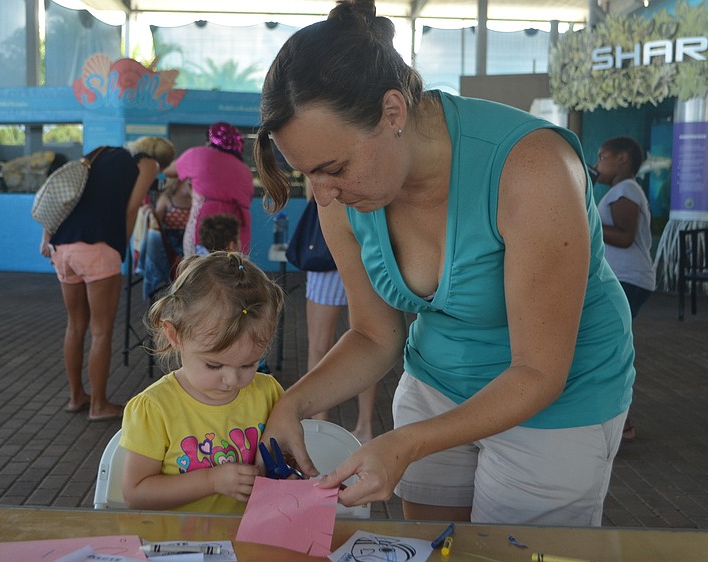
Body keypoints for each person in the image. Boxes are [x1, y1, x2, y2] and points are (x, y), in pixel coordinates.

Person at [252, 0, 635, 526]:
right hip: (437, 378)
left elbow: (539, 371)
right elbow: (373, 335)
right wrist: (290, 404)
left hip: (559, 396)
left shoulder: (533, 167)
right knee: (436, 545)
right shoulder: (340, 199)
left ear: (393, 112)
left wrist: (405, 444)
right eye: (306, 176)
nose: (322, 196)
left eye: (333, 168)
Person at [119, 252, 285, 513]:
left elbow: (284, 461)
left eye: (249, 364)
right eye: (214, 365)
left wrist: (290, 479)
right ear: (174, 335)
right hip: (179, 547)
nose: (232, 380)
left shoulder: (270, 393)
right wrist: (211, 481)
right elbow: (135, 493)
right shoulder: (155, 408)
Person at [40, 137, 176, 421]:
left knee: (75, 326)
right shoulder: (147, 163)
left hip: (63, 247)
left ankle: (76, 397)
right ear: (159, 159)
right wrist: (120, 247)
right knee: (101, 331)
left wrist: (47, 236)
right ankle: (99, 405)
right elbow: (132, 208)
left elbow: (61, 198)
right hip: (98, 249)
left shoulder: (97, 154)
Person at [299, 179, 376, 443]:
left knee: (321, 346)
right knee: (371, 342)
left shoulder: (318, 153)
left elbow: (314, 195)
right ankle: (364, 426)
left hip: (330, 251)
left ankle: (321, 425)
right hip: (367, 246)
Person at [594, 136, 656, 442]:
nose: (597, 162)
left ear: (622, 159)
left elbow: (624, 236)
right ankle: (623, 419)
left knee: (607, 345)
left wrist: (586, 219)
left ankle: (622, 420)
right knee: (608, 343)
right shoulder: (621, 191)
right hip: (626, 279)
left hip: (628, 279)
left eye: (603, 155)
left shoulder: (626, 190)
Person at [164, 122, 254, 256]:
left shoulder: (198, 154)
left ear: (210, 141)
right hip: (237, 228)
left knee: (200, 267)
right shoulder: (246, 170)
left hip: (205, 222)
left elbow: (168, 171)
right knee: (233, 269)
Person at [154, 177, 192, 257]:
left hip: (190, 242)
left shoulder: (195, 200)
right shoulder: (166, 199)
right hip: (171, 245)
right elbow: (155, 224)